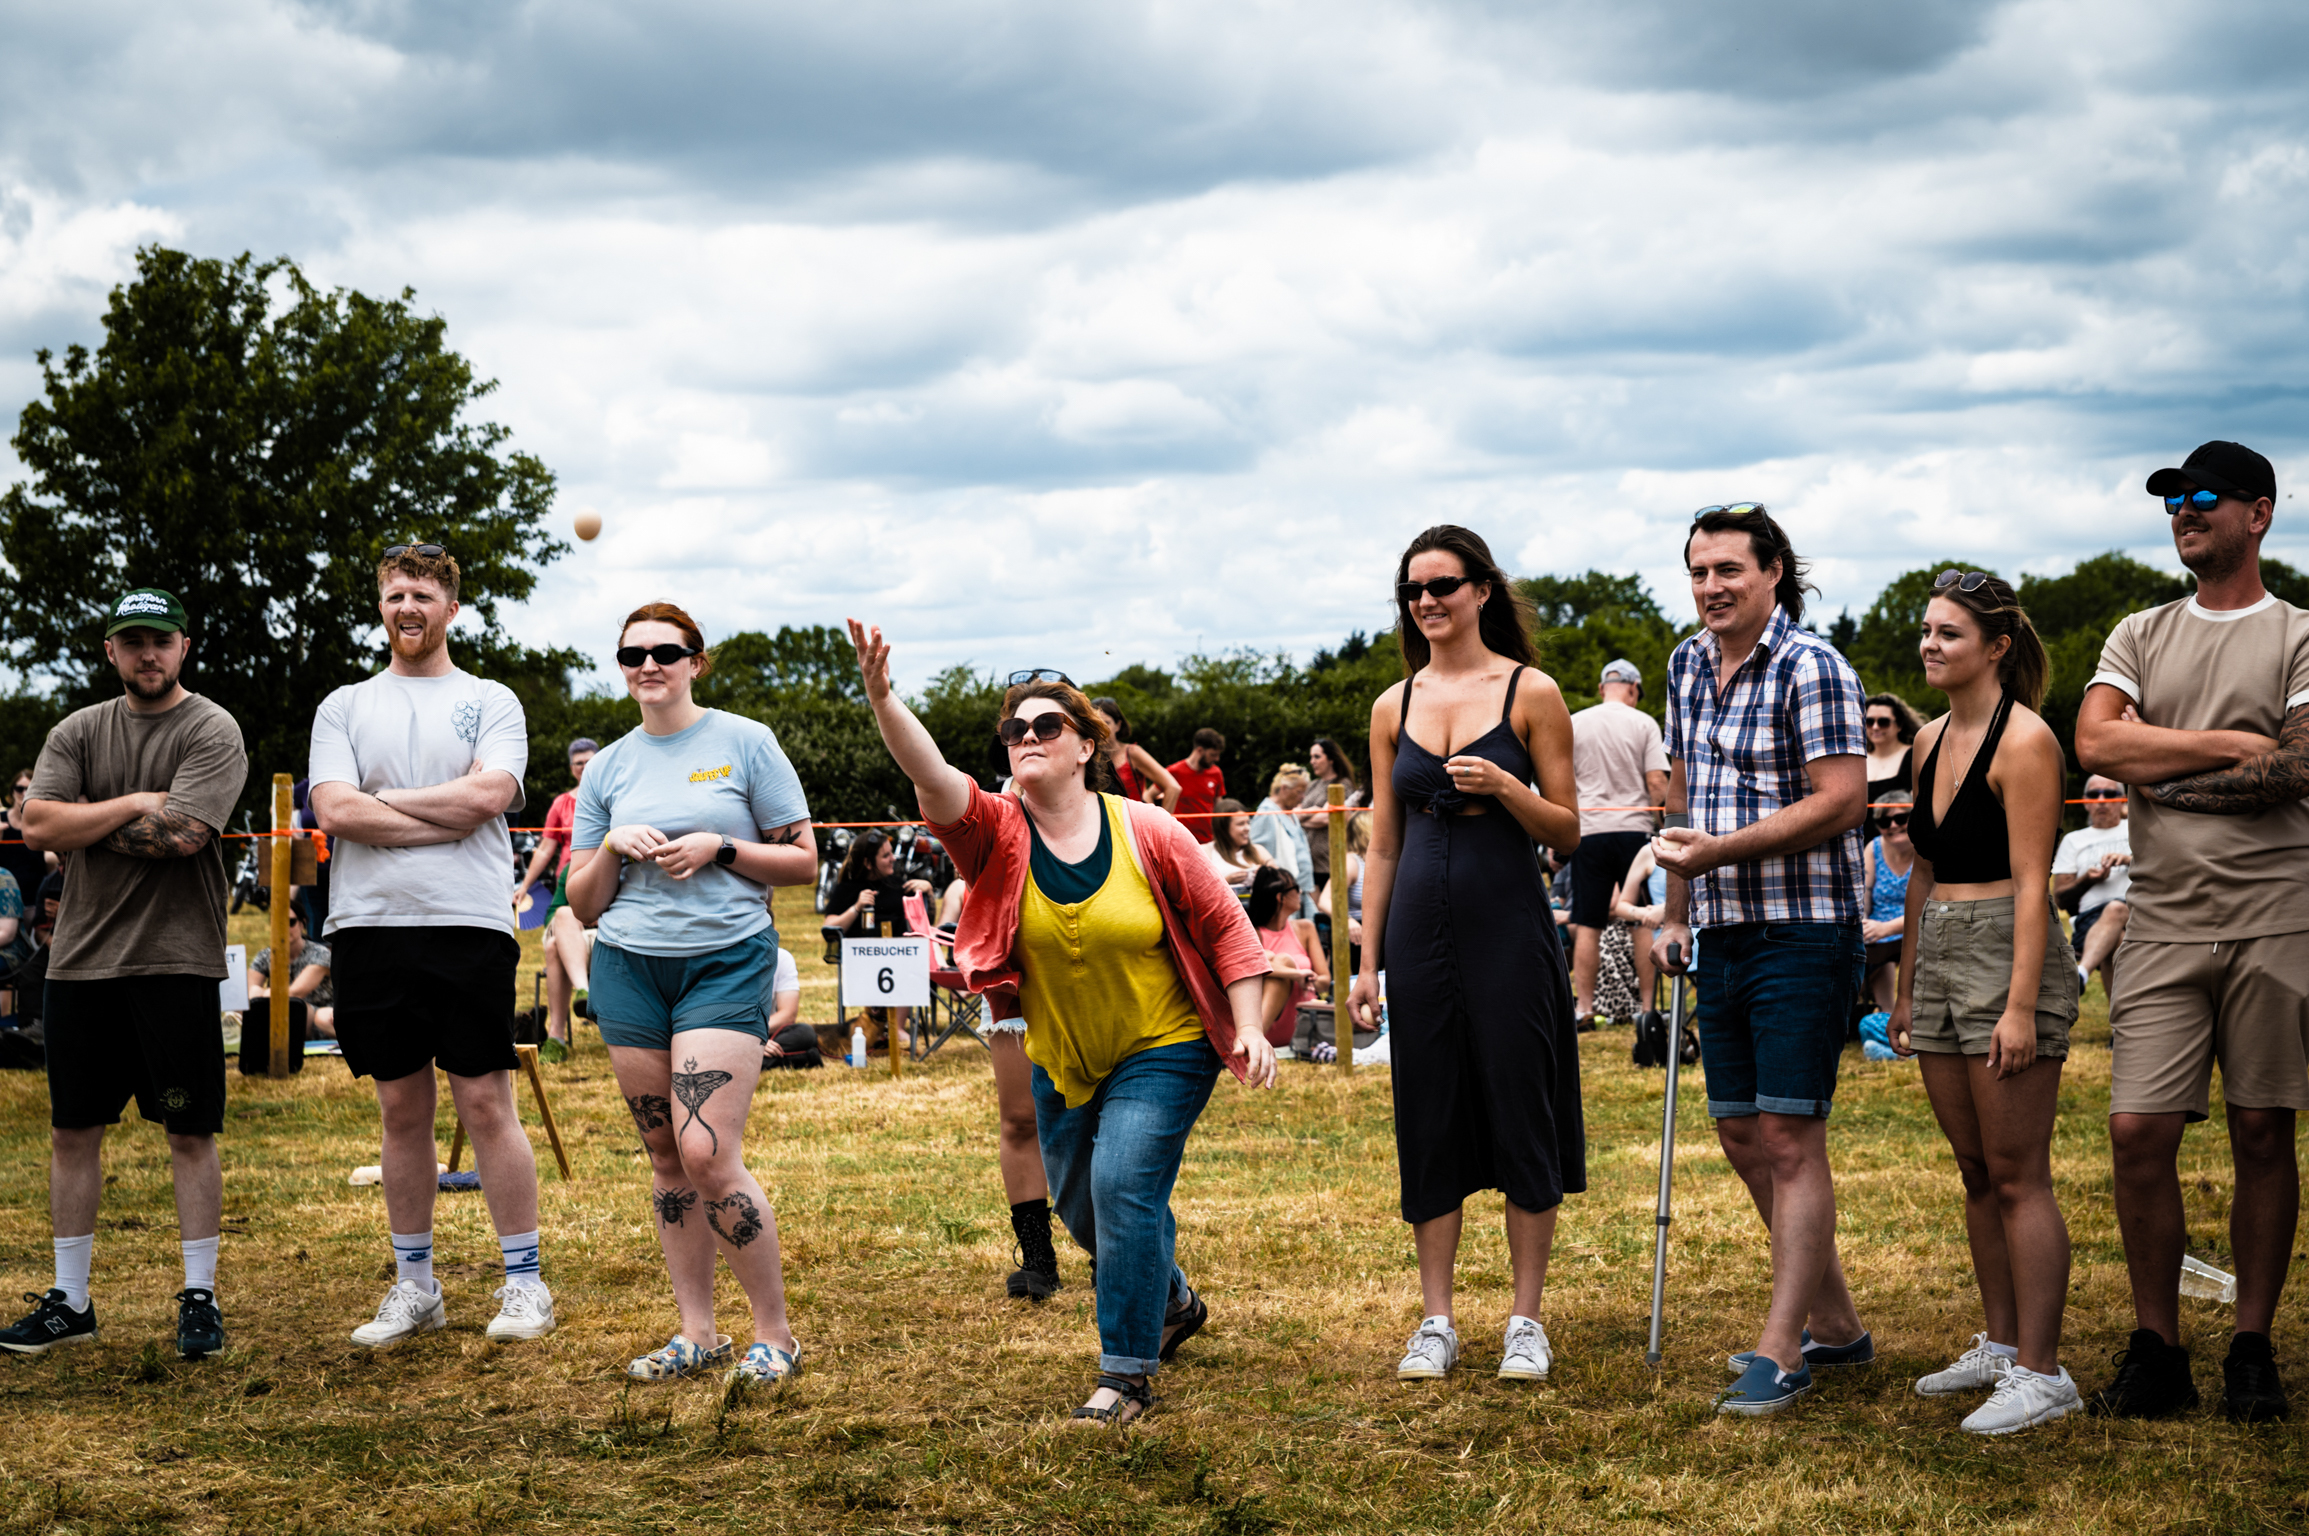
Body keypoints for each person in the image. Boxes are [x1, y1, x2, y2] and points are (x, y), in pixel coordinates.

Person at [847, 623, 1277, 1425]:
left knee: (1121, 1189)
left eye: (1047, 725)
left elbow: (1226, 928)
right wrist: (881, 697)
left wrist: (1248, 1025)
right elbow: (932, 775)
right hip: (1059, 1053)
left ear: (1087, 746)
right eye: (1015, 729)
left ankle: (1126, 1374)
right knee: (1081, 1210)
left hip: (1164, 1043)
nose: (1027, 738)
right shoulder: (995, 836)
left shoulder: (1147, 830)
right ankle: (1173, 1296)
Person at [2074, 440, 2309, 1423]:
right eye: (2171, 497)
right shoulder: (2138, 630)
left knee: (2262, 1128)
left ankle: (2249, 1345)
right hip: (2161, 915)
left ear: (2256, 513)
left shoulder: (2297, 632)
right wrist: (2225, 745)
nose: (2183, 510)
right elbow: (2092, 741)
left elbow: (2296, 771)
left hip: (2276, 911)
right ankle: (2155, 1345)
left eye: (2203, 497)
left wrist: (2157, 770)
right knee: (2136, 1132)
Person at [1650, 503, 1874, 1416]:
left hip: (1804, 928)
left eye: (1729, 570)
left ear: (1774, 572)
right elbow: (1682, 797)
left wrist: (1718, 854)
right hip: (1720, 929)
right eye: (1699, 571)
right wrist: (1673, 910)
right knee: (1741, 1134)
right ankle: (1836, 1327)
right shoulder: (1684, 663)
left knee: (1789, 1136)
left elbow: (1842, 800)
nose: (1711, 588)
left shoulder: (1813, 666)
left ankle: (1781, 1350)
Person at [1349, 525, 1584, 1386]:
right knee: (1430, 1110)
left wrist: (1508, 789)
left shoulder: (1533, 692)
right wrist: (1366, 964)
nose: (1426, 601)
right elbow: (1381, 846)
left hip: (1508, 924)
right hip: (1416, 931)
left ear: (1482, 590)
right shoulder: (1391, 705)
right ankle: (1435, 1320)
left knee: (1523, 1102)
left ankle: (1526, 1319)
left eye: (1442, 585)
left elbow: (1569, 828)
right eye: (1412, 589)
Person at [308, 543, 553, 1351]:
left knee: (486, 1101)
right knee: (400, 1107)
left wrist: (390, 803)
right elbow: (336, 813)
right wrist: (435, 814)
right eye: (393, 595)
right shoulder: (344, 705)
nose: (406, 608)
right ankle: (416, 1287)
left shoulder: (490, 699)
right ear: (379, 606)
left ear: (452, 608)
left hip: (470, 923)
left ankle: (524, 1284)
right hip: (369, 926)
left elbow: (491, 794)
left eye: (422, 595)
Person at [567, 601, 816, 1387]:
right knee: (665, 1156)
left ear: (695, 661)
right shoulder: (607, 766)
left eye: (665, 652)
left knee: (708, 1153)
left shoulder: (746, 741)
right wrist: (609, 843)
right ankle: (698, 1335)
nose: (648, 665)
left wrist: (722, 848)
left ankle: (774, 1334)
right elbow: (582, 905)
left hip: (725, 961)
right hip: (630, 966)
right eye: (631, 654)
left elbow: (804, 862)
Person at [0, 588, 247, 1364]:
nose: (148, 654)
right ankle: (70, 1300)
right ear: (111, 650)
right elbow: (34, 824)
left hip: (174, 960)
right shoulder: (78, 729)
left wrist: (87, 820)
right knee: (74, 1129)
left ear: (184, 646)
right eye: (132, 641)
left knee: (188, 1128)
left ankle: (198, 1296)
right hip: (80, 963)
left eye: (161, 640)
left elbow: (183, 834)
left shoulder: (211, 727)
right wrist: (138, 799)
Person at [1889, 570, 2082, 1433]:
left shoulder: (2027, 741)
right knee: (1974, 1172)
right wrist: (1904, 988)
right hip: (1937, 958)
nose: (1929, 644)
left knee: (2016, 1174)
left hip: (2008, 951)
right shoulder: (1925, 741)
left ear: (1996, 647)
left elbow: (2036, 885)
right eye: (1925, 630)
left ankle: (2043, 1373)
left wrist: (2016, 1008)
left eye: (1948, 634)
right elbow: (1922, 873)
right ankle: (2000, 1346)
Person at [1566, 658, 1670, 1030]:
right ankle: (1646, 1009)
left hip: (1588, 832)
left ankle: (1584, 1010)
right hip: (1634, 832)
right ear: (1632, 688)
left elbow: (1560, 783)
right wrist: (1668, 828)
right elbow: (1657, 782)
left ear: (1600, 688)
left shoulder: (1575, 723)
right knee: (1640, 921)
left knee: (1587, 922)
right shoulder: (1643, 722)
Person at [522, 737, 598, 1054]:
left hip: (603, 873)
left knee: (554, 945)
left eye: (590, 760)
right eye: (579, 762)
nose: (584, 767)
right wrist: (524, 886)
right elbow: (545, 849)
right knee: (564, 917)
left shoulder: (611, 797)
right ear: (571, 769)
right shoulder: (562, 804)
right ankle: (582, 996)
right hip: (571, 879)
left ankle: (557, 1038)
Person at [825, 829, 929, 1052]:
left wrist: (926, 892)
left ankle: (896, 1027)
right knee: (899, 962)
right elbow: (829, 927)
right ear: (868, 863)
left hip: (900, 958)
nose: (893, 858)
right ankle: (883, 1027)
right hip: (861, 960)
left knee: (909, 959)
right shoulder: (848, 888)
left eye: (892, 853)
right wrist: (856, 907)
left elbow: (924, 922)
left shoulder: (898, 885)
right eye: (885, 855)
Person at [2052, 776, 2132, 997]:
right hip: (2091, 921)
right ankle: (2122, 1028)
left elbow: (2163, 867)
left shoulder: (2138, 829)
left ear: (2123, 800)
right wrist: (2087, 879)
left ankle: (2080, 973)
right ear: (2085, 801)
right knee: (2118, 935)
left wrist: (2128, 860)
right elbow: (2060, 899)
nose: (2101, 800)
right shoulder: (2073, 840)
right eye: (2094, 795)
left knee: (2118, 918)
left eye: (2110, 794)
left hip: (2141, 913)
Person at [1247, 864, 1327, 1047]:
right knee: (1281, 960)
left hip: (1305, 1016)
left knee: (1280, 960)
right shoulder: (1253, 934)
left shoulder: (1305, 928)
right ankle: (1256, 1040)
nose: (1301, 893)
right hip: (1273, 1020)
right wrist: (1296, 974)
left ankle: (1253, 1044)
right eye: (1296, 889)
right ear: (1280, 897)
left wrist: (1308, 979)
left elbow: (1324, 980)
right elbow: (1251, 967)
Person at [1860, 791, 1916, 1011]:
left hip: (1917, 928)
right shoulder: (1873, 849)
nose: (1893, 825)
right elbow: (1864, 894)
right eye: (1884, 821)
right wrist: (1862, 923)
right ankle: (1886, 1016)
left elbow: (1930, 904)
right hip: (1876, 932)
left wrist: (1887, 928)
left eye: (1901, 818)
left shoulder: (1925, 848)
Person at [249, 906, 336, 1039]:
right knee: (254, 992)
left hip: (320, 1016)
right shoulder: (266, 955)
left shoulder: (320, 953)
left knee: (318, 1015)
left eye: (290, 922)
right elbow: (247, 995)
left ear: (302, 924)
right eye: (278, 922)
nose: (284, 928)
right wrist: (255, 996)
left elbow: (295, 993)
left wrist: (262, 995)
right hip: (281, 1013)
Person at [1299, 737, 1364, 897]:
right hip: (1309, 863)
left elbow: (1327, 819)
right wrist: (1314, 811)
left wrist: (1303, 817)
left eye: (1317, 756)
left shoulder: (1343, 785)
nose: (1312, 761)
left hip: (1330, 862)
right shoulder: (1313, 785)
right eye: (1311, 757)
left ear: (1331, 759)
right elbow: (1294, 812)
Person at [1091, 698, 1181, 812]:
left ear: (1118, 725)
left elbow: (1173, 787)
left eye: (1106, 723)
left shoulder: (1132, 752)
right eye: (1096, 723)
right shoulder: (1089, 756)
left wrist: (1163, 826)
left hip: (1135, 824)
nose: (1100, 729)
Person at [1250, 766, 1316, 917]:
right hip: (1283, 894)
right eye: (1299, 792)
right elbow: (1258, 853)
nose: (1303, 797)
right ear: (1284, 788)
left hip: (1300, 890)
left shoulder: (1289, 812)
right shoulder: (1266, 814)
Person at [1316, 809, 1368, 974]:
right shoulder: (1352, 862)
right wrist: (1347, 920)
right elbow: (1324, 900)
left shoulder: (1386, 860)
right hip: (1356, 935)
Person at [1166, 728, 1227, 843]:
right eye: (1213, 755)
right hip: (1179, 840)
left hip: (1207, 840)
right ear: (1199, 750)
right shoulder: (1174, 771)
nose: (1217, 759)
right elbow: (1150, 795)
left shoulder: (1216, 773)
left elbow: (1220, 806)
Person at [1864, 693, 1924, 810]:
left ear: (1899, 725)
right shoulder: (1859, 758)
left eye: (1883, 722)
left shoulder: (1916, 755)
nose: (1875, 727)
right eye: (1869, 722)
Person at [0, 768, 51, 903]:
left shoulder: (43, 822)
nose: (24, 793)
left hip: (36, 900)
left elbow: (51, 862)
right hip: (5, 901)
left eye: (29, 788)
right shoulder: (1, 821)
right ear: (12, 791)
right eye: (19, 789)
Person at [1203, 799, 1272, 892]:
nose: (1247, 828)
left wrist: (1266, 873)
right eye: (1241, 824)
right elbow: (1199, 890)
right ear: (1223, 827)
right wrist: (1226, 881)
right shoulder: (1205, 851)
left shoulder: (1258, 850)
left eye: (1248, 822)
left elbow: (1280, 881)